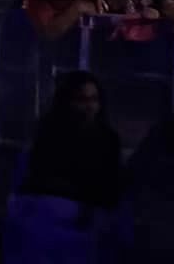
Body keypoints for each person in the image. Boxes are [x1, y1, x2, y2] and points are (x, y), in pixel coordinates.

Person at [20, 71, 121, 210]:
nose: (90, 107)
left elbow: (111, 188)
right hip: (50, 210)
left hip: (92, 216)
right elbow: (39, 180)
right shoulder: (49, 135)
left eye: (94, 99)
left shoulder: (109, 140)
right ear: (66, 102)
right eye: (82, 100)